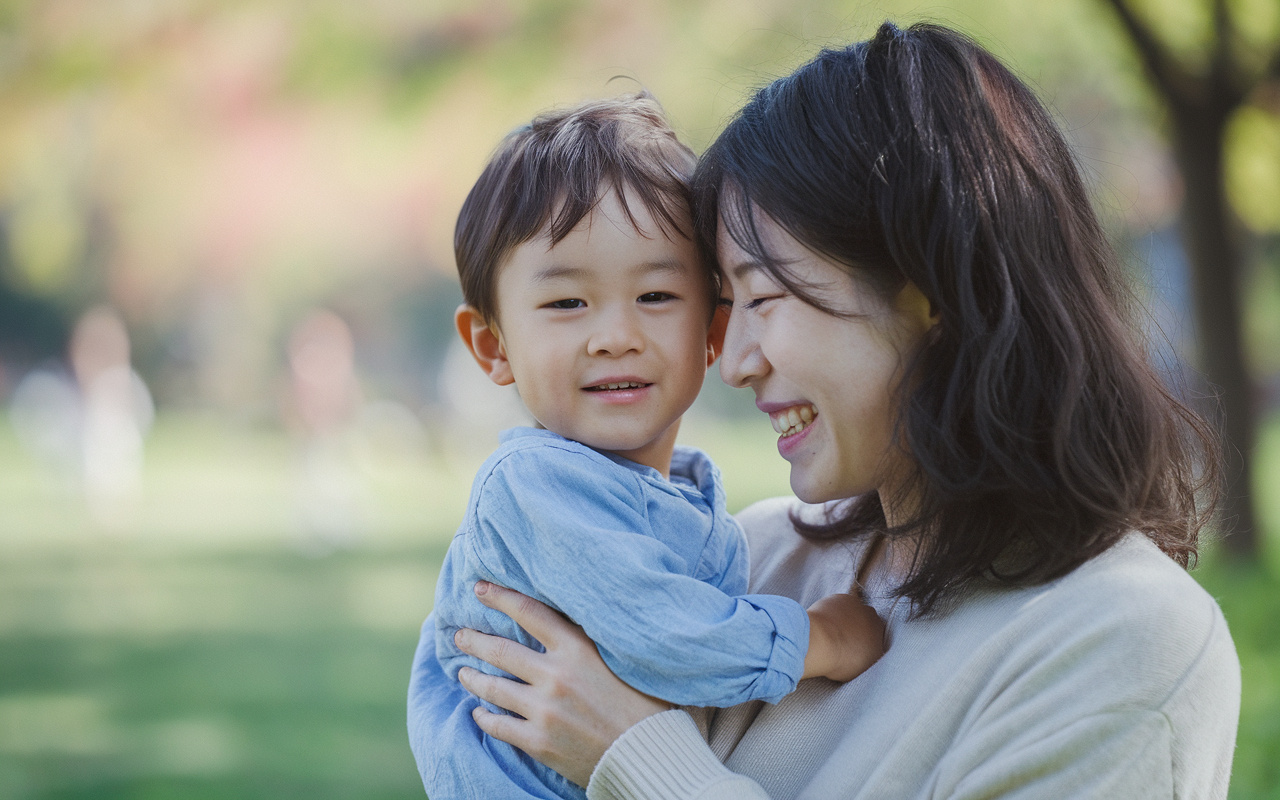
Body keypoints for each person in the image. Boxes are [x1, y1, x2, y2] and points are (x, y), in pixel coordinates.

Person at [409, 22, 1242, 798]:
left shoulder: (1125, 643)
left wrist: (635, 758)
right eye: (726, 300)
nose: (731, 359)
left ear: (930, 293)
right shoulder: (759, 558)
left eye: (762, 297)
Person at [419, 93, 884, 800]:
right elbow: (667, 636)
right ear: (494, 346)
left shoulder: (689, 500)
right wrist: (820, 639)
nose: (615, 335)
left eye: (658, 296)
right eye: (567, 303)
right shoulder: (532, 489)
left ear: (714, 325)